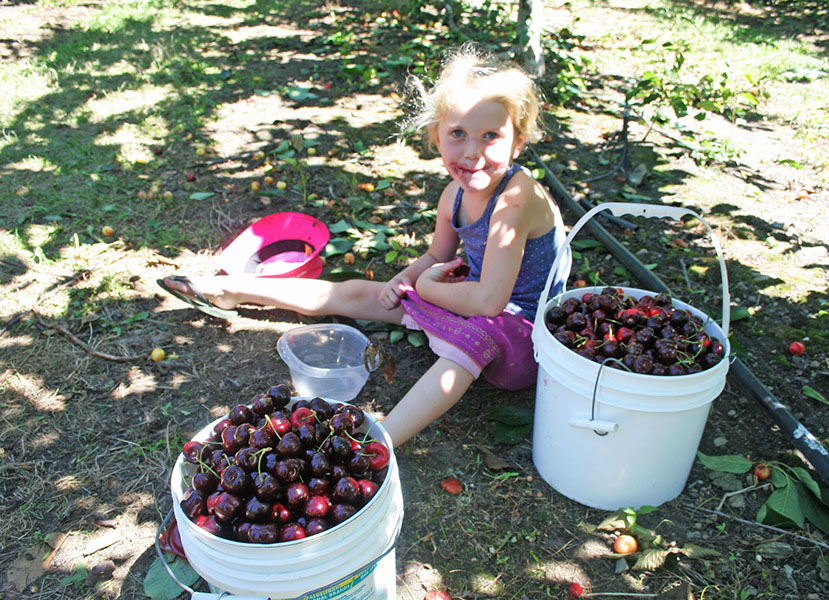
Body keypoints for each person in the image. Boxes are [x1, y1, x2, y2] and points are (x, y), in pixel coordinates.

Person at [158, 44, 571, 447]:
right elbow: (436, 257)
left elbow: (489, 303)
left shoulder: (515, 200)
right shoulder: (454, 196)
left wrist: (426, 288)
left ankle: (377, 444)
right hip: (471, 297)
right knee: (360, 293)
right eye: (458, 134)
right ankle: (231, 290)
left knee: (472, 341)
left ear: (518, 142)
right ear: (436, 136)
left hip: (528, 335)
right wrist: (406, 280)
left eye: (491, 136)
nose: (473, 153)